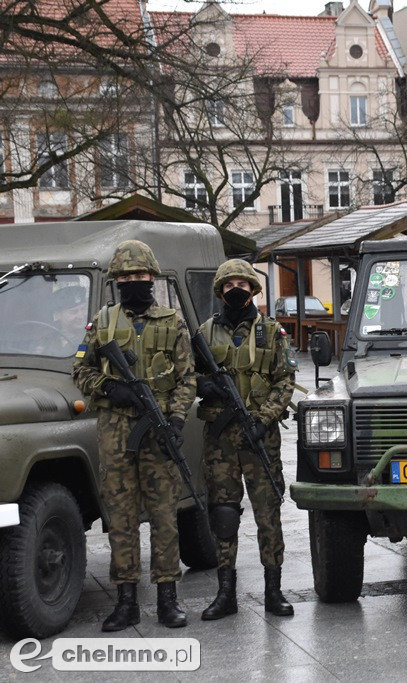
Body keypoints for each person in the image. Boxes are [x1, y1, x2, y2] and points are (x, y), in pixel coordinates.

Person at [72, 240, 195, 630]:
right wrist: (110, 388)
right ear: (116, 282)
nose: (133, 282)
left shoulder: (172, 322)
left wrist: (175, 420)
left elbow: (187, 378)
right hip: (115, 432)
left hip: (158, 433)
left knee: (163, 516)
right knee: (122, 518)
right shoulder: (102, 323)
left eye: (140, 276)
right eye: (126, 277)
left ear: (152, 278)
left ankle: (167, 598)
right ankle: (125, 600)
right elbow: (80, 371)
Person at [196, 259, 297, 620]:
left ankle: (274, 590)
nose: (235, 288)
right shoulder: (205, 333)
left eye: (242, 283)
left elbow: (285, 381)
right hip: (220, 439)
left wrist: (263, 418)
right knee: (223, 515)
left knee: (268, 513)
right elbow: (186, 375)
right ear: (220, 290)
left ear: (253, 289)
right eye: (228, 284)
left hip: (260, 438)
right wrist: (202, 384)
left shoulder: (271, 332)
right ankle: (226, 594)